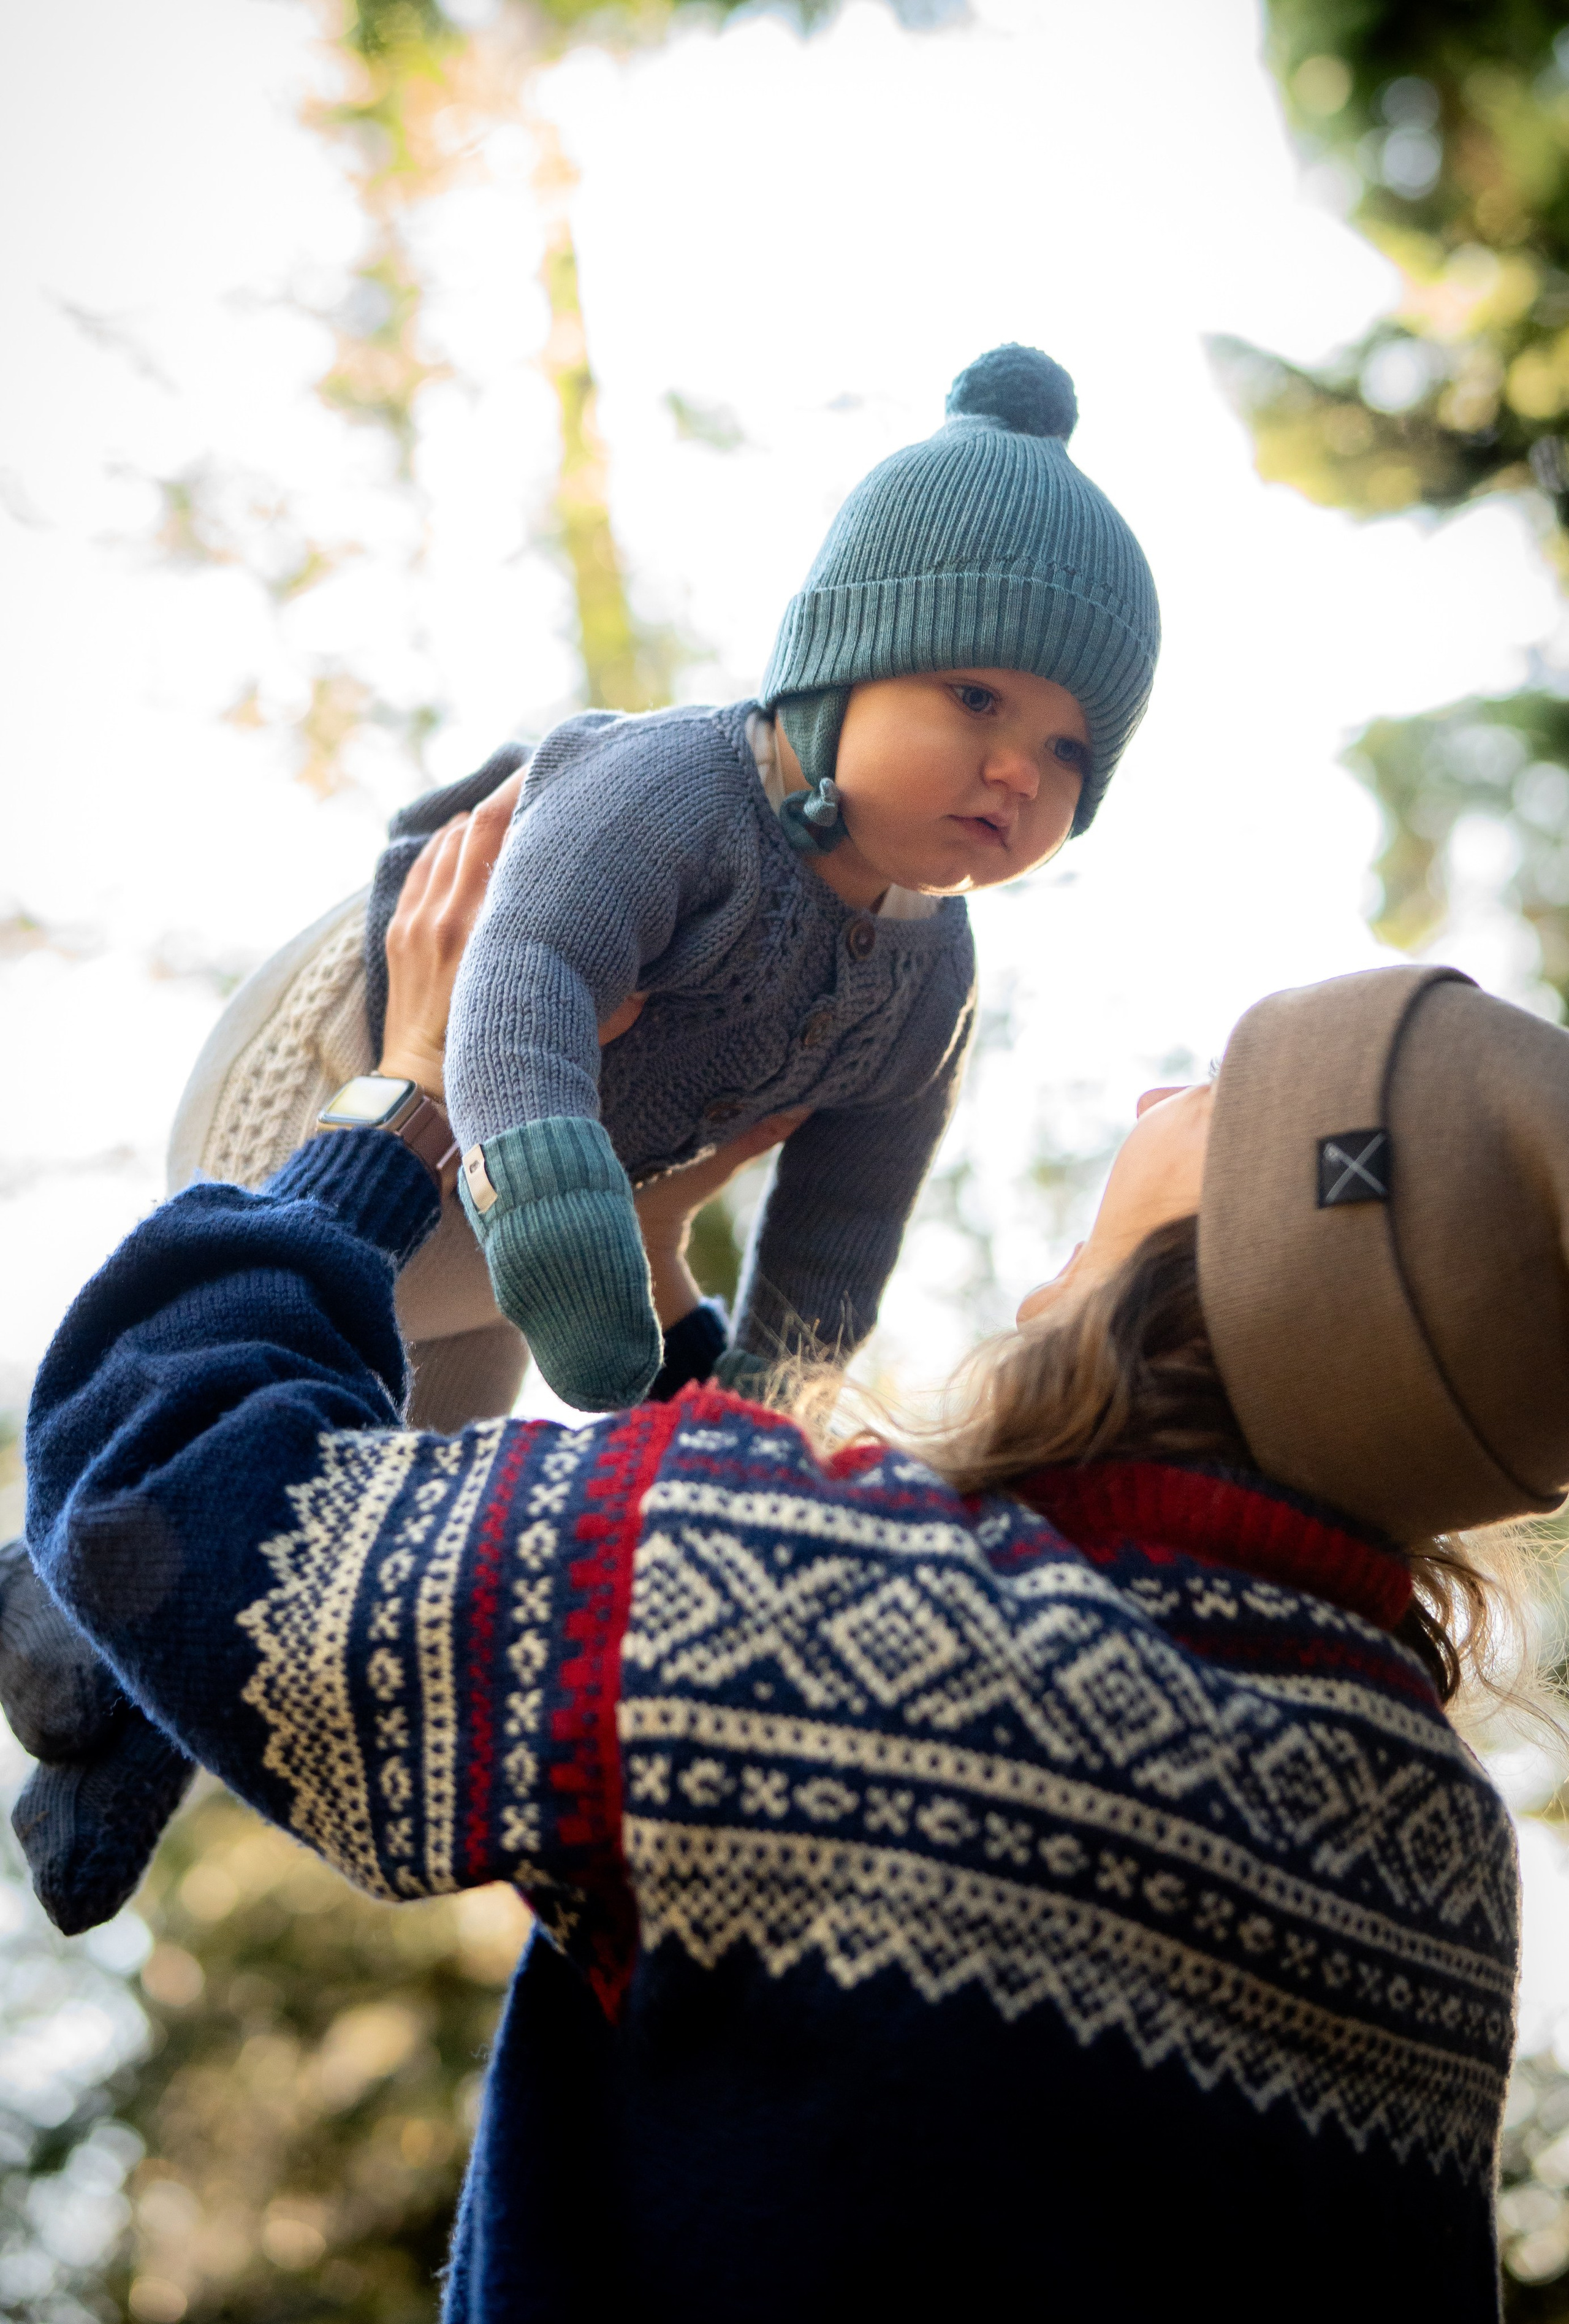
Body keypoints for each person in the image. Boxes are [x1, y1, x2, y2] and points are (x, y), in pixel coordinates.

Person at [15, 800, 1555, 2319]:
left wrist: (404, 1103)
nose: (1157, 1092)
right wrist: (674, 1316)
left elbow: (163, 1495)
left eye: (1217, 1093)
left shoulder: (816, 1616)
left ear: (1268, 1241)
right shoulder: (1437, 1862)